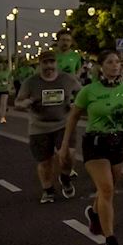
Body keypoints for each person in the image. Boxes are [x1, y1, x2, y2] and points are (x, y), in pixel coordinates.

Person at [60, 50, 123, 245]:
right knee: (107, 189)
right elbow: (73, 117)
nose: (114, 66)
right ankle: (110, 240)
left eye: (117, 62)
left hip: (118, 142)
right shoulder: (89, 91)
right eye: (110, 62)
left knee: (107, 190)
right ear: (101, 66)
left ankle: (94, 213)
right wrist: (65, 145)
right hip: (95, 143)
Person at [14, 51, 81, 203]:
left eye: (52, 62)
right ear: (40, 64)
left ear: (56, 63)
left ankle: (65, 177)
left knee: (68, 155)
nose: (49, 66)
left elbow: (82, 93)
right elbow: (18, 102)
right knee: (45, 161)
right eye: (45, 63)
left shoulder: (67, 79)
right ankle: (48, 190)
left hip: (63, 124)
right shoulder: (31, 82)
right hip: (39, 127)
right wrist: (23, 104)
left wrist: (76, 104)